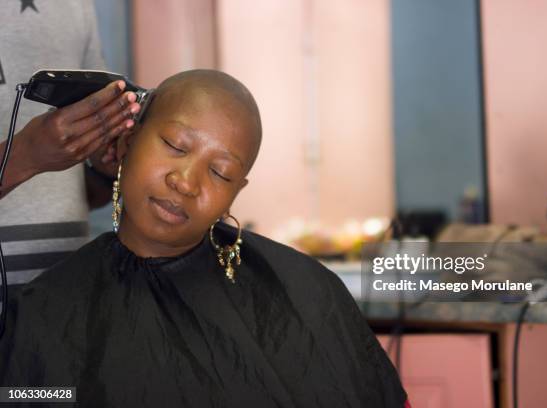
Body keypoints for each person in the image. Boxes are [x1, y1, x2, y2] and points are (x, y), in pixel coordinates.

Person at [0, 70, 409, 407]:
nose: (186, 182)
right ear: (126, 143)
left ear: (237, 191)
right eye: (175, 146)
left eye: (220, 173)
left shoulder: (305, 292)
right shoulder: (44, 314)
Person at [0, 0, 140, 286]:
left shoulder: (75, 5)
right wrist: (26, 155)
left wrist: (104, 167)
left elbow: (80, 192)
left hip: (63, 292)